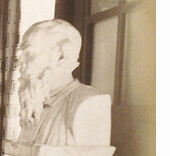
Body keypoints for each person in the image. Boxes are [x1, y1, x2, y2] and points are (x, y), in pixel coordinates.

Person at [14, 18, 111, 147]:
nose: (19, 61)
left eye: (29, 52)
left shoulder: (88, 102)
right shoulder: (33, 104)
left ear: (61, 57)